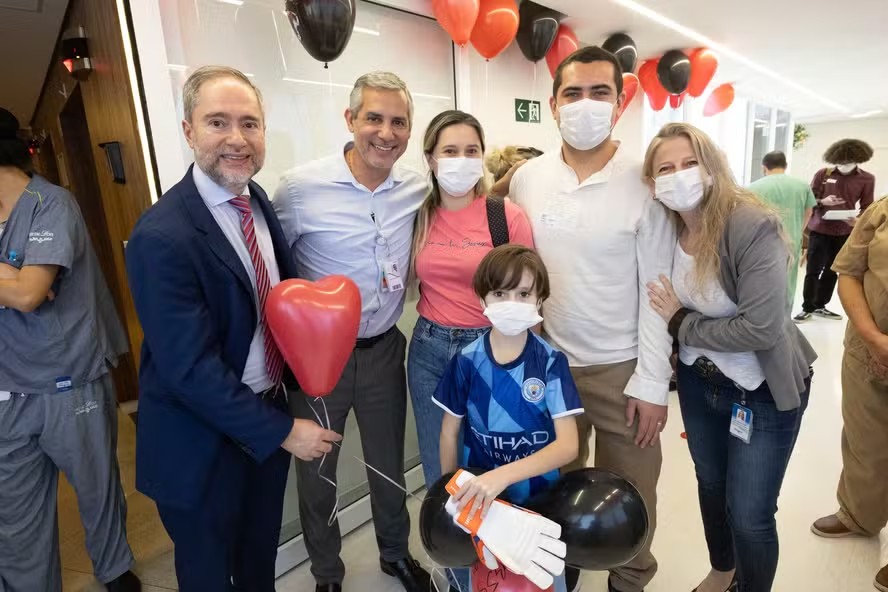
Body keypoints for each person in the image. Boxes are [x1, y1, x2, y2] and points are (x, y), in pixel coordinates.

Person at [125, 67, 341, 591]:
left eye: (250, 123)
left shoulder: (256, 200)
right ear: (188, 130)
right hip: (199, 443)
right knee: (208, 576)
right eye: (217, 122)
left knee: (257, 564)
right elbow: (188, 370)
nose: (237, 139)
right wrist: (284, 431)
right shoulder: (162, 235)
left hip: (264, 418)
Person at [509, 46, 675, 592]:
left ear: (620, 103)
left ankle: (630, 577)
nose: (586, 104)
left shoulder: (645, 181)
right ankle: (562, 566)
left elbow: (658, 292)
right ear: (553, 104)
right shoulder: (528, 178)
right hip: (549, 364)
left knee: (632, 492)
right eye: (573, 93)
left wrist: (652, 382)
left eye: (600, 93)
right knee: (552, 485)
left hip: (623, 367)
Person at [273, 71, 432, 592]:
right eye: (374, 118)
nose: (386, 133)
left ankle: (394, 554)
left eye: (399, 122)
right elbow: (273, 266)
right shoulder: (299, 189)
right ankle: (327, 573)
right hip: (319, 359)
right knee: (318, 470)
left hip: (384, 348)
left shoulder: (416, 188)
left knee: (388, 462)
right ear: (350, 119)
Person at [645, 123, 817, 592]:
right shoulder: (665, 228)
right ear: (652, 183)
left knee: (750, 513)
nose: (679, 175)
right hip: (699, 383)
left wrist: (682, 323)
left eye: (689, 163)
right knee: (711, 486)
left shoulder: (749, 225)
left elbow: (761, 327)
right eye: (665, 168)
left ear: (712, 167)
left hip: (761, 389)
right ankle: (722, 571)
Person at [0, 107, 140, 592]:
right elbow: (20, 286)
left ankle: (116, 572)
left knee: (97, 487)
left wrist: (19, 283)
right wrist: (12, 276)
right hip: (8, 387)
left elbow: (27, 294)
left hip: (70, 378)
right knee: (15, 515)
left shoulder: (51, 204)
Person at [408, 110, 535, 592]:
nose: (461, 160)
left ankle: (502, 577)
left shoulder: (506, 216)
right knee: (443, 473)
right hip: (429, 350)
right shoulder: (419, 214)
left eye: (471, 151)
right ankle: (462, 580)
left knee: (494, 470)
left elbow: (530, 291)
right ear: (430, 158)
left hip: (490, 353)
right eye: (450, 151)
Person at [435, 244, 582, 592]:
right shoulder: (466, 362)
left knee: (542, 576)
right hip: (483, 505)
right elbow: (448, 433)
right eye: (500, 293)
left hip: (540, 501)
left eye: (523, 294)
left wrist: (500, 477)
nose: (512, 303)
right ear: (482, 299)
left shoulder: (550, 363)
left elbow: (568, 446)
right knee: (489, 578)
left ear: (540, 300)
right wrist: (450, 495)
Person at [810, 195, 888, 592]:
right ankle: (859, 514)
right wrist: (874, 339)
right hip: (866, 350)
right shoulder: (882, 211)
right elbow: (849, 273)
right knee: (864, 439)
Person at [795, 139, 875, 322]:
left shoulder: (867, 179)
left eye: (848, 161)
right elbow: (809, 199)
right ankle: (807, 307)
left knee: (833, 270)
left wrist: (858, 220)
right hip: (820, 230)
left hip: (844, 231)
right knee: (813, 270)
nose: (844, 165)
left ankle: (820, 305)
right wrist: (823, 202)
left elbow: (867, 206)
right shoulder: (823, 174)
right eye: (841, 161)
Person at [748, 151, 816, 310]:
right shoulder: (802, 186)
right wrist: (798, 230)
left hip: (762, 241)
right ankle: (785, 314)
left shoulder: (753, 187)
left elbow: (748, 217)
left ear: (764, 167)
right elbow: (809, 212)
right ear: (785, 165)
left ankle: (764, 313)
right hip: (792, 240)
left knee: (763, 277)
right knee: (788, 280)